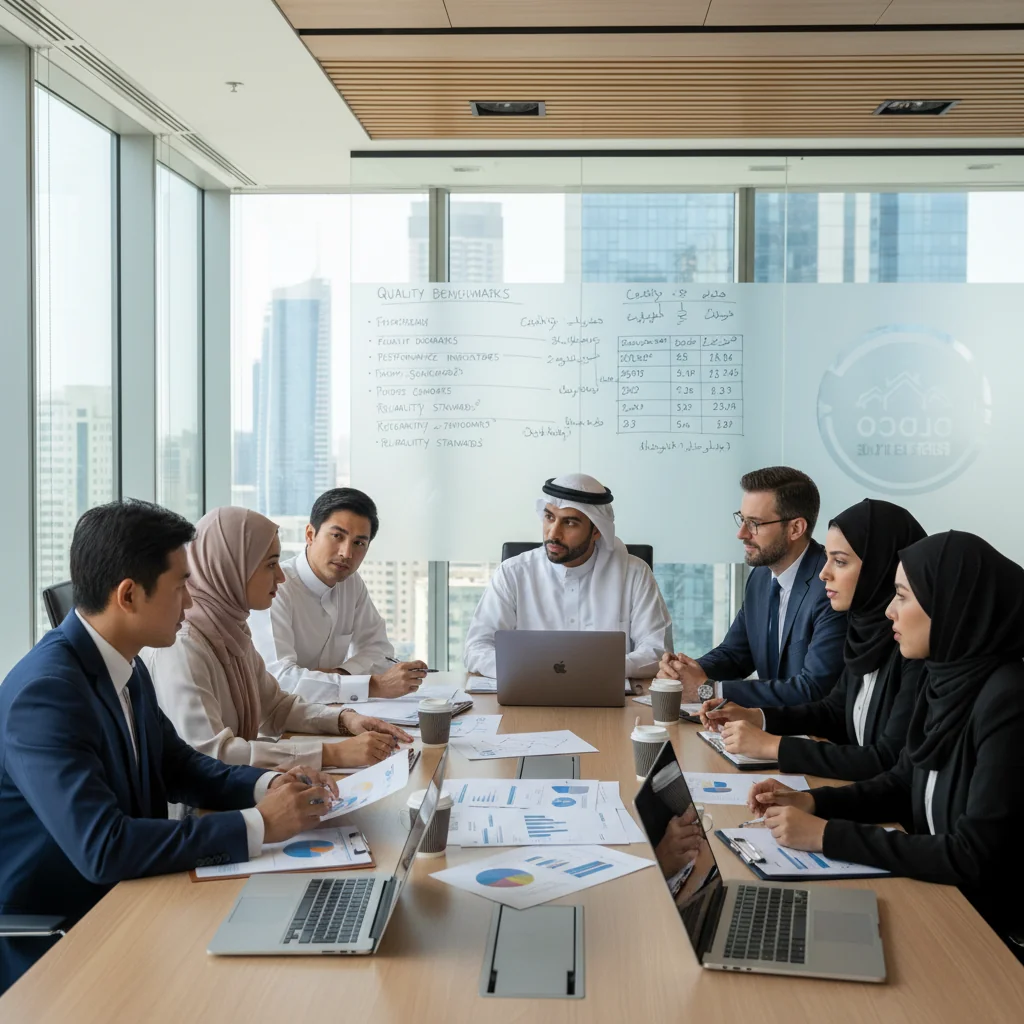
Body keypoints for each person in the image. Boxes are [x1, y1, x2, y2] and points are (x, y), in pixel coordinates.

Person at [0, 501, 338, 994]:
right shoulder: (46, 693)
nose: (190, 603)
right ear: (129, 595)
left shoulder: (125, 663)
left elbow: (179, 765)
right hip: (67, 941)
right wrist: (261, 823)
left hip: (136, 900)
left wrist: (270, 784)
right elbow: (104, 847)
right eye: (181, 587)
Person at [747, 531, 1024, 963]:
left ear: (951, 604)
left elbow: (973, 856)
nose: (890, 610)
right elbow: (900, 782)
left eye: (903, 596)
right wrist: (812, 802)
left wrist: (827, 836)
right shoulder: (945, 678)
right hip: (938, 898)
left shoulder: (1008, 700)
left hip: (986, 936)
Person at [146, 507, 412, 773]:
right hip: (204, 808)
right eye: (271, 564)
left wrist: (345, 720)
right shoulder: (185, 645)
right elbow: (212, 754)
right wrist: (332, 752)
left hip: (239, 788)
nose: (280, 576)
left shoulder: (230, 629)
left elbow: (275, 707)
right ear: (233, 567)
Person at [700, 499, 926, 780]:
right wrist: (758, 717)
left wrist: (774, 746)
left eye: (840, 562)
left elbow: (887, 759)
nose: (823, 573)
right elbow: (833, 711)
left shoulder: (914, 652)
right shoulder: (865, 633)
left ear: (881, 568)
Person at [657, 466, 846, 706]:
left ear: (795, 528)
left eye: (754, 523)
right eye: (742, 519)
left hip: (810, 734)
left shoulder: (830, 587)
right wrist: (683, 673)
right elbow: (736, 654)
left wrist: (708, 690)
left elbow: (813, 689)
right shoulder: (760, 576)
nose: (741, 533)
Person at [462, 473, 672, 678]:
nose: (553, 533)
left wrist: (594, 670)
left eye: (570, 523)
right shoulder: (513, 573)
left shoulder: (634, 574)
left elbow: (658, 653)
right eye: (549, 517)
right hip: (528, 696)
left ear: (597, 531)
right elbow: (476, 648)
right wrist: (528, 670)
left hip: (608, 702)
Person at [250, 488, 427, 704]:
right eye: (337, 536)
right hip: (279, 727)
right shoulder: (277, 588)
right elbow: (280, 680)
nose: (346, 553)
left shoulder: (351, 582)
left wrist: (340, 674)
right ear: (310, 534)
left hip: (333, 713)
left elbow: (379, 651)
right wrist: (372, 686)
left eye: (359, 543)